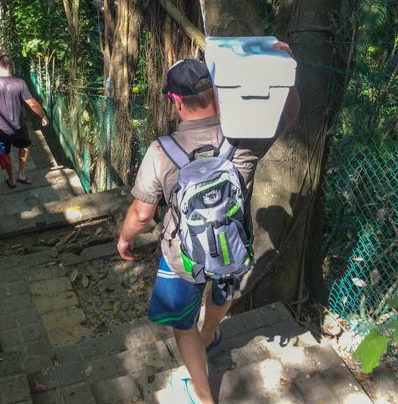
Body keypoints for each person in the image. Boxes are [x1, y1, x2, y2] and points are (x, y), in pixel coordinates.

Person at [117, 47, 300, 404]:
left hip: (181, 256)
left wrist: (124, 241)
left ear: (176, 102)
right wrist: (285, 69)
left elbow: (140, 214)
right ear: (216, 94)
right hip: (232, 246)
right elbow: (290, 112)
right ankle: (210, 335)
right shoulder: (244, 135)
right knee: (222, 292)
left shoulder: (161, 151)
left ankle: (203, 397)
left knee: (181, 324)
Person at [0, 53, 49, 188]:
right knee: (24, 146)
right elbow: (32, 104)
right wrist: (43, 116)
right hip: (17, 126)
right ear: (11, 66)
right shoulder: (20, 83)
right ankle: (22, 174)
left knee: (4, 153)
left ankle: (11, 180)